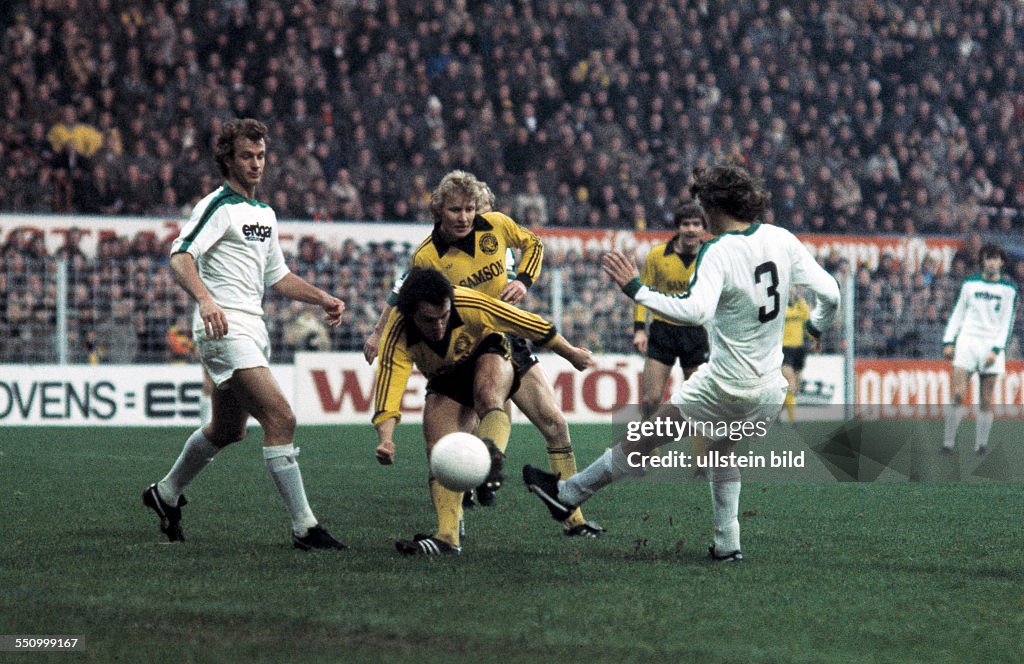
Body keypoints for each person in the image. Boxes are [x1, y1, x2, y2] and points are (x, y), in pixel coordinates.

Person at [524, 164, 841, 561]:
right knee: (722, 454)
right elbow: (831, 291)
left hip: (724, 386)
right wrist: (816, 324)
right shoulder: (781, 239)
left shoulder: (719, 250)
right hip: (768, 390)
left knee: (644, 440)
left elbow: (694, 311)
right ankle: (728, 544)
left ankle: (567, 494)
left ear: (712, 206)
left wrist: (636, 289)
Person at [142, 118, 348, 550]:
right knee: (281, 418)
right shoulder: (217, 206)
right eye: (246, 157)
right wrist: (205, 299)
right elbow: (181, 257)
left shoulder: (264, 215)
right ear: (228, 161)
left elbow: (279, 277)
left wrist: (322, 298)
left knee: (227, 430)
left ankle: (164, 494)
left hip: (252, 328)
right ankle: (305, 528)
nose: (256, 164)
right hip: (223, 327)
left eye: (261, 156)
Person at [364, 170, 604, 537]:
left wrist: (523, 280)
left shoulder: (496, 226)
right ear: (438, 211)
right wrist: (380, 331)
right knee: (472, 416)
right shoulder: (426, 259)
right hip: (464, 345)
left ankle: (573, 518)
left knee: (553, 422)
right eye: (456, 210)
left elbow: (534, 245)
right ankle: (458, 513)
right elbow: (405, 299)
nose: (463, 217)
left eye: (469, 209)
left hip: (505, 330)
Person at [373, 267, 593, 555]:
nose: (439, 326)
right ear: (410, 314)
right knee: (439, 450)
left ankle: (567, 515)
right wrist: (386, 438)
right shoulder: (397, 334)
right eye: (429, 320)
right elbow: (389, 389)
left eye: (444, 316)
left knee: (533, 415)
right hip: (446, 376)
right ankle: (447, 537)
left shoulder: (468, 303)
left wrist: (571, 352)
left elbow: (527, 322)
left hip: (491, 348)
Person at [633, 201, 709, 419]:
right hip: (663, 330)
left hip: (695, 331)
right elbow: (641, 293)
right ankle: (649, 448)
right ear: (678, 227)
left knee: (700, 400)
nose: (691, 229)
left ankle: (702, 451)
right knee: (650, 399)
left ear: (703, 228)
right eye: (686, 224)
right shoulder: (657, 255)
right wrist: (639, 329)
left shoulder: (711, 256)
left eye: (696, 224)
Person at [941, 243, 1016, 455]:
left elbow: (1007, 323)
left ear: (1002, 262)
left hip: (991, 344)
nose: (992, 262)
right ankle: (948, 443)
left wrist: (996, 349)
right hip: (968, 341)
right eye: (988, 258)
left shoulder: (1009, 290)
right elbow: (957, 314)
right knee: (958, 394)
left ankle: (981, 444)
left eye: (996, 258)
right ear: (982, 260)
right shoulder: (969, 285)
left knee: (986, 397)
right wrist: (949, 341)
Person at [781, 287, 813, 422]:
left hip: (799, 349)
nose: (791, 293)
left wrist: (813, 340)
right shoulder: (781, 307)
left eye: (793, 290)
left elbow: (808, 321)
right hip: (785, 348)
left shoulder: (801, 306)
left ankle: (780, 411)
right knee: (791, 383)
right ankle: (793, 421)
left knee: (796, 386)